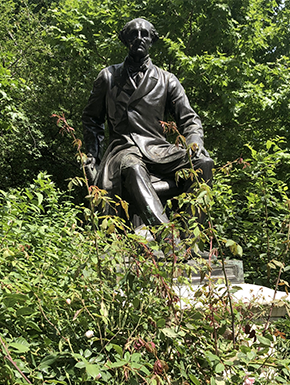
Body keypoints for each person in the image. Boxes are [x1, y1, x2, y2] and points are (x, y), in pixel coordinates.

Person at [82, 18, 213, 233]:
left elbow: (189, 119)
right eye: (133, 34)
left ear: (152, 39)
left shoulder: (167, 79)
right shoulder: (108, 77)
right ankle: (169, 239)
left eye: (144, 34)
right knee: (132, 167)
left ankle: (191, 237)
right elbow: (91, 120)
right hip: (123, 149)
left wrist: (194, 142)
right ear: (125, 40)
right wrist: (92, 154)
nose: (139, 38)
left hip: (158, 150)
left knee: (203, 163)